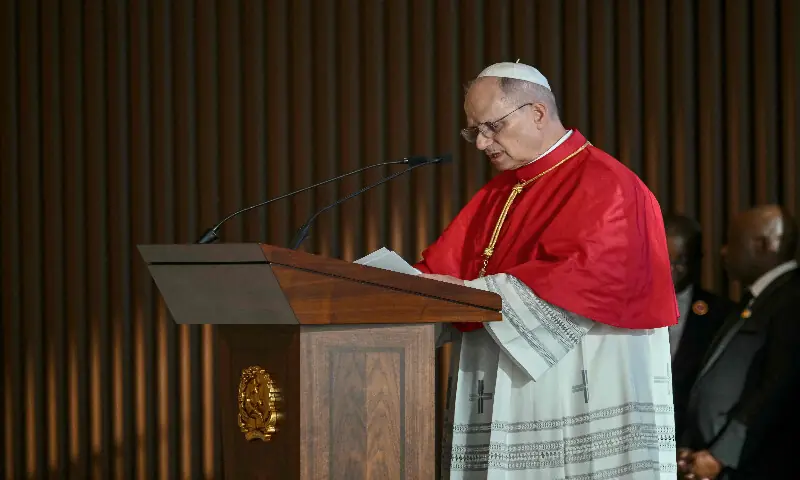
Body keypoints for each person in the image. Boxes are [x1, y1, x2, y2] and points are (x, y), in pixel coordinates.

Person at [415, 61, 679, 479]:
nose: (482, 144)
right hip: (498, 382)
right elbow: (437, 272)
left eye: (491, 127)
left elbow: (582, 281)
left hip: (572, 387)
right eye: (474, 131)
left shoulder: (609, 184)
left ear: (537, 113)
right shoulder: (500, 192)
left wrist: (469, 296)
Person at [677, 205, 800, 480]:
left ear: (765, 244)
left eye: (732, 242)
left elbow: (777, 387)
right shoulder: (754, 300)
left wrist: (721, 455)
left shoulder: (792, 300)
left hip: (757, 464)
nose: (723, 251)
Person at [663, 214, 733, 440]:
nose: (671, 269)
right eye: (664, 257)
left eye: (680, 262)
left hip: (692, 446)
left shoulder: (721, 315)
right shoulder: (621, 310)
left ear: (698, 259)